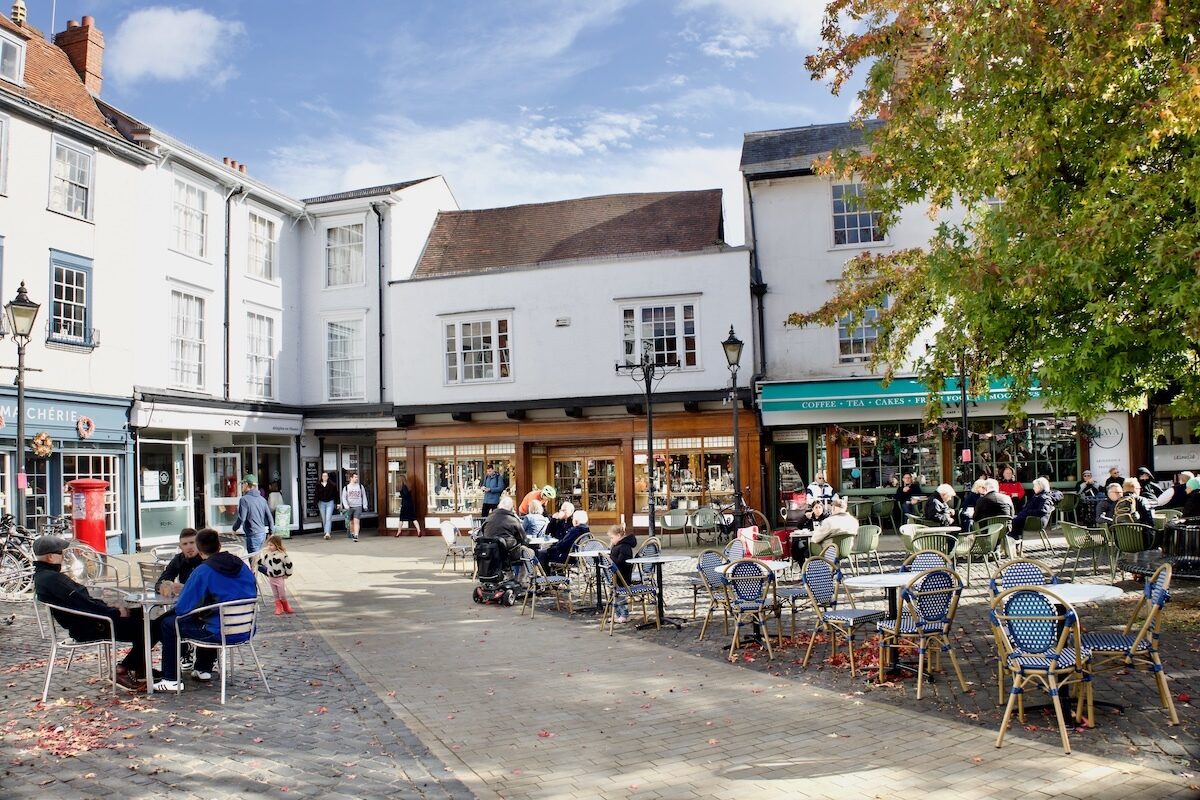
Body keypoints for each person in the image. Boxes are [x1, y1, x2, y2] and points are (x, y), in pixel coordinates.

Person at [33, 535, 160, 690]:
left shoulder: (44, 576)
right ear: (51, 557)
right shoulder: (53, 579)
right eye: (61, 553)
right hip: (91, 626)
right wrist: (113, 612)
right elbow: (84, 604)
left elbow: (83, 602)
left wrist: (112, 609)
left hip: (90, 620)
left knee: (141, 614)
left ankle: (140, 667)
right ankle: (123, 669)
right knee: (152, 628)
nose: (64, 557)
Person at [154, 528, 258, 692]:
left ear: (200, 552)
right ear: (220, 545)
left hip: (219, 632)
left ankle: (170, 679)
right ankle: (203, 667)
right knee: (207, 617)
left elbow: (182, 609)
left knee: (168, 623)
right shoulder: (242, 566)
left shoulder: (203, 571)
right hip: (246, 629)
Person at [1009, 477, 1063, 555]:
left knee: (1013, 522)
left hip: (1036, 521)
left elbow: (1042, 510)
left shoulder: (1044, 497)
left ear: (1040, 487)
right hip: (1030, 518)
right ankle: (1015, 544)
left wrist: (1027, 511)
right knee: (1012, 520)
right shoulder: (1038, 496)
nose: (1033, 488)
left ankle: (1014, 545)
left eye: (1035, 486)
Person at [155, 528, 202, 597]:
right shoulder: (178, 559)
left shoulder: (206, 558)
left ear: (199, 544)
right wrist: (165, 586)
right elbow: (160, 582)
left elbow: (210, 587)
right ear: (180, 547)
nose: (189, 547)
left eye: (192, 543)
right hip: (185, 602)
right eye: (185, 544)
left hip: (206, 604)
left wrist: (186, 588)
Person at [232, 474, 273, 554]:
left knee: (254, 562)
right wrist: (271, 532)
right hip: (262, 534)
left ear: (247, 484)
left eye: (243, 484)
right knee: (258, 559)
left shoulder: (244, 500)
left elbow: (241, 518)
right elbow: (270, 517)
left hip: (252, 535)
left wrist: (234, 528)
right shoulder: (262, 499)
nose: (242, 486)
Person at [255, 534, 294, 616]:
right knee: (275, 594)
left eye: (271, 545)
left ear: (277, 545)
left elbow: (289, 564)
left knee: (282, 593)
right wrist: (256, 561)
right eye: (268, 545)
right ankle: (278, 607)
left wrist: (287, 574)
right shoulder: (267, 555)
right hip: (271, 577)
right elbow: (262, 562)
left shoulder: (282, 555)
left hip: (279, 577)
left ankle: (285, 606)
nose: (269, 547)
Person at [607, 523, 638, 624]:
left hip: (622, 575)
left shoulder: (624, 547)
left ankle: (624, 615)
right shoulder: (618, 546)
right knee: (616, 595)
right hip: (617, 575)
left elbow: (623, 562)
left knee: (620, 596)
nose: (611, 540)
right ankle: (618, 614)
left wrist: (611, 561)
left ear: (619, 536)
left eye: (612, 538)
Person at [340, 470, 370, 541]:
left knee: (356, 521)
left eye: (357, 477)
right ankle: (353, 533)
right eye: (355, 477)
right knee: (351, 522)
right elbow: (343, 497)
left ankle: (356, 535)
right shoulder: (346, 488)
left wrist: (365, 505)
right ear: (351, 478)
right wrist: (346, 506)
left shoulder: (360, 486)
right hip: (349, 507)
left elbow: (364, 496)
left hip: (358, 506)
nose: (356, 478)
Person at [316, 471, 339, 541]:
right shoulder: (318, 484)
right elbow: (316, 494)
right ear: (321, 477)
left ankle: (327, 533)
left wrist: (338, 503)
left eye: (326, 476)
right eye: (323, 476)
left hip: (330, 502)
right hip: (321, 503)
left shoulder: (332, 484)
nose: (324, 477)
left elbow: (336, 494)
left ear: (328, 477)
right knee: (324, 518)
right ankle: (326, 531)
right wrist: (315, 503)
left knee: (328, 517)